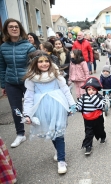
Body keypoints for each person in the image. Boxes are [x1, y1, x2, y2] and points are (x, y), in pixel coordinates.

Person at [23, 51, 76, 174]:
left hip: (58, 105)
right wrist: (27, 113)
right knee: (51, 131)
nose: (44, 63)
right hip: (41, 107)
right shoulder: (32, 78)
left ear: (50, 62)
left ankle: (61, 161)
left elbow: (65, 90)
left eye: (46, 61)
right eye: (40, 61)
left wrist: (72, 104)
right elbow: (29, 97)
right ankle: (58, 151)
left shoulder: (56, 74)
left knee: (59, 132)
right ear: (35, 63)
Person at [0, 18, 36, 148]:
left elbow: (36, 63)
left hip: (27, 81)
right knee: (16, 109)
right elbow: (2, 67)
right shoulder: (3, 47)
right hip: (11, 82)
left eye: (16, 26)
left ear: (20, 29)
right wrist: (3, 85)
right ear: (6, 30)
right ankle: (20, 134)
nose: (14, 28)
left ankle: (39, 128)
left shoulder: (28, 46)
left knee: (33, 106)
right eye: (11, 27)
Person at [76, 77, 107, 155]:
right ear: (86, 90)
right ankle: (88, 146)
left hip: (98, 117)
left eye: (93, 90)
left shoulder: (100, 97)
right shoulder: (83, 97)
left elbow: (101, 106)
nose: (91, 91)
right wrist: (76, 108)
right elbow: (79, 105)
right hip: (87, 118)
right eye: (89, 90)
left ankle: (102, 136)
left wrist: (93, 98)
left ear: (96, 90)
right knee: (88, 132)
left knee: (100, 129)